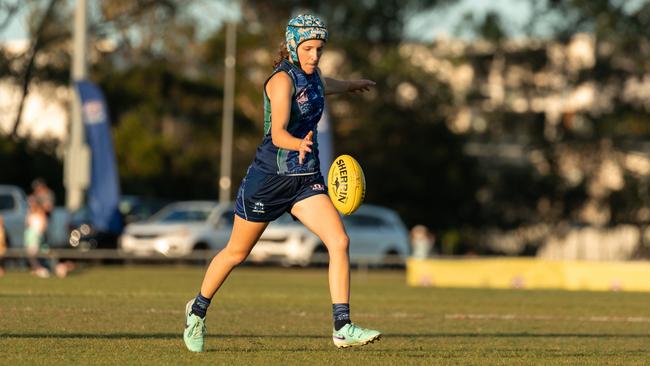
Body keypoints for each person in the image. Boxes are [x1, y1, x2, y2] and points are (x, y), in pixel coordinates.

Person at [183, 14, 380, 352]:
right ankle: (197, 311)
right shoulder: (280, 81)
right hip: (268, 181)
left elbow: (325, 84)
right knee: (236, 253)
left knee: (339, 240)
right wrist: (296, 143)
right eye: (308, 48)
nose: (314, 56)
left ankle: (342, 326)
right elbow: (278, 132)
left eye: (319, 49)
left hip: (305, 181)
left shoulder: (314, 76)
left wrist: (350, 85)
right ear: (292, 46)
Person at [24, 197, 50, 278]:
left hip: (36, 236)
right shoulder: (30, 212)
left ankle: (40, 269)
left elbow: (43, 225)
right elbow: (27, 224)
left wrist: (39, 234)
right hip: (30, 235)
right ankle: (37, 269)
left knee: (33, 254)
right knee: (31, 254)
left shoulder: (40, 213)